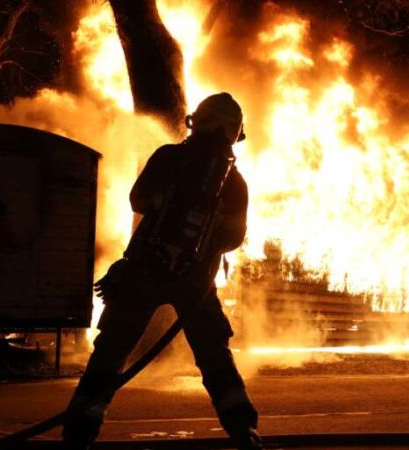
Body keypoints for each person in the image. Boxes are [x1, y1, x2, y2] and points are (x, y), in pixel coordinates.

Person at [62, 93, 261, 450]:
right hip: (196, 282)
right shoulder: (235, 183)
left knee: (112, 351)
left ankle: (79, 433)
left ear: (196, 122)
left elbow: (137, 200)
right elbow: (233, 239)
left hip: (144, 271)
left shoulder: (169, 157)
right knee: (214, 354)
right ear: (235, 133)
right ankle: (242, 430)